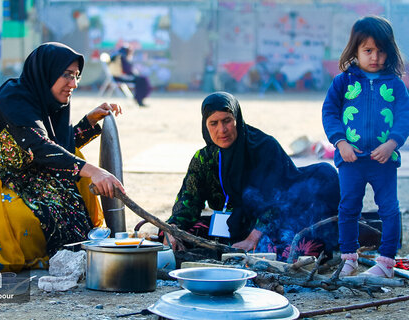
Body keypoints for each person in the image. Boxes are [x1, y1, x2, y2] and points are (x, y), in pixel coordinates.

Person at [0, 42, 125, 271]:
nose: (73, 84)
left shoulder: (50, 101)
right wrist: (96, 170)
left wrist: (88, 122)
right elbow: (39, 146)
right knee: (24, 218)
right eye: (67, 75)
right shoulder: (14, 96)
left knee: (68, 199)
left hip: (20, 170)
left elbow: (57, 147)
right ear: (47, 72)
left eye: (76, 76)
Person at [165, 91, 340, 262]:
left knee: (291, 249)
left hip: (271, 222)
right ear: (205, 125)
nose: (222, 130)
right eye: (214, 123)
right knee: (178, 237)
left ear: (237, 119)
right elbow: (188, 201)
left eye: (227, 121)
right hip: (231, 224)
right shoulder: (204, 158)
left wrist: (253, 237)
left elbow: (279, 201)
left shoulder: (264, 148)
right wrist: (172, 230)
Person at [322, 16, 409, 278]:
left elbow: (405, 116)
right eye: (368, 50)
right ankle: (349, 258)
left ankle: (385, 263)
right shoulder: (343, 82)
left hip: (383, 160)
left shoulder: (395, 85)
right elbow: (330, 113)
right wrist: (341, 142)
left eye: (381, 50)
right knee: (348, 207)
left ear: (389, 51)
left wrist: (392, 143)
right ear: (355, 50)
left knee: (389, 208)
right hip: (350, 160)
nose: (375, 57)